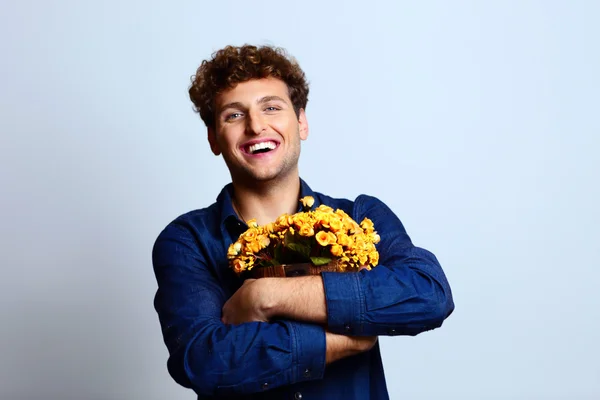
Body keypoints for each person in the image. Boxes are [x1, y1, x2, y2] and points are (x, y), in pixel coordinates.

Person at [152, 44, 454, 400]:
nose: (255, 125)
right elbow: (202, 360)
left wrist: (266, 295)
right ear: (214, 139)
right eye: (234, 115)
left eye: (271, 107)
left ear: (301, 122)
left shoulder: (361, 217)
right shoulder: (187, 241)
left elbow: (428, 294)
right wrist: (332, 342)